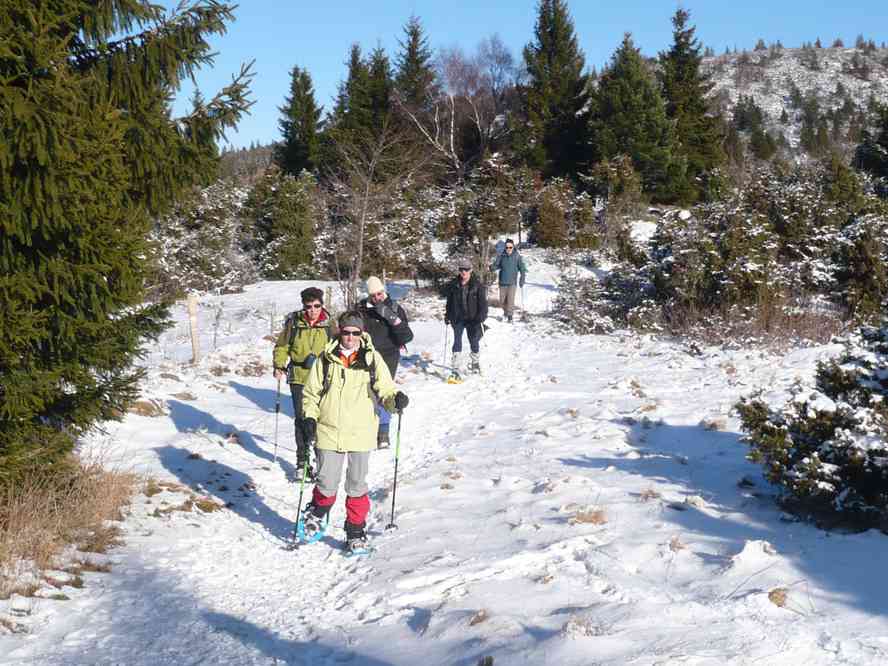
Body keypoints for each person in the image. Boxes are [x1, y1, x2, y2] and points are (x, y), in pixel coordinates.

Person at [299, 311, 409, 554]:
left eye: (355, 333)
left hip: (361, 432)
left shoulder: (372, 359)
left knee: (356, 484)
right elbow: (310, 393)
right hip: (329, 430)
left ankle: (355, 531)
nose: (350, 337)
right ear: (340, 332)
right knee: (327, 481)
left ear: (361, 334)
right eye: (346, 332)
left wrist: (395, 401)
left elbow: (386, 389)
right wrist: (309, 418)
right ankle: (317, 512)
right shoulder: (325, 359)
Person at [272, 287, 334, 481]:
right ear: (303, 306)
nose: (313, 310)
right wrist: (279, 364)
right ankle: (302, 462)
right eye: (309, 306)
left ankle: (322, 459)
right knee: (301, 419)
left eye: (317, 305)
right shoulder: (294, 323)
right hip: (299, 376)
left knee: (321, 418)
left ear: (322, 305)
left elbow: (338, 348)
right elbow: (282, 346)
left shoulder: (330, 324)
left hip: (323, 377)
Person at [356, 276, 414, 448]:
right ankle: (363, 427)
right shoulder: (361, 309)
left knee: (385, 392)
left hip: (389, 355)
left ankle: (383, 432)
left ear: (384, 291)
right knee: (363, 392)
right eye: (373, 295)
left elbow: (407, 336)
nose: (377, 298)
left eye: (380, 293)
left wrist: (392, 319)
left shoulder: (395, 308)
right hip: (365, 356)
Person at [444, 260, 488, 378]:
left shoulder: (478, 286)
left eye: (466, 269)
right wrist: (447, 315)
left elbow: (483, 305)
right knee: (457, 340)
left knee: (473, 340)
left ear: (471, 270)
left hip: (473, 319)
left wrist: (481, 318)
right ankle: (455, 367)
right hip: (457, 318)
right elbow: (449, 302)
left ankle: (475, 363)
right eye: (461, 269)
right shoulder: (454, 284)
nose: (464, 272)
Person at [489, 238, 527, 322]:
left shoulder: (517, 256)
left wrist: (522, 279)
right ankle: (506, 313)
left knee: (510, 300)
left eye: (510, 247)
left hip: (512, 282)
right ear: (505, 247)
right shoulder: (501, 256)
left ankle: (510, 316)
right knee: (502, 301)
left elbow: (522, 269)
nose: (508, 249)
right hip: (502, 282)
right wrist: (492, 267)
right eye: (507, 247)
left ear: (513, 247)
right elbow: (497, 265)